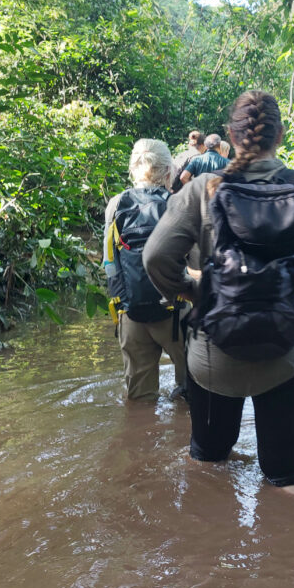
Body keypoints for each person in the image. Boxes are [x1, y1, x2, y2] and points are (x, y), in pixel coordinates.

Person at [143, 91, 294, 494]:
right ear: (279, 134)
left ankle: (206, 545)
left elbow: (155, 257)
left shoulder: (202, 191)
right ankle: (288, 549)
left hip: (213, 356)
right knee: (289, 481)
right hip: (289, 357)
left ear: (230, 134)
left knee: (207, 466)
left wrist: (192, 290)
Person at [104, 139, 188, 402]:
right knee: (193, 394)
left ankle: (139, 441)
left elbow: (110, 263)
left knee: (139, 401)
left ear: (133, 170)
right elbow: (195, 261)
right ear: (167, 173)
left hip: (131, 314)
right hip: (177, 314)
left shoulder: (116, 205)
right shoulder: (179, 204)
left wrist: (121, 307)